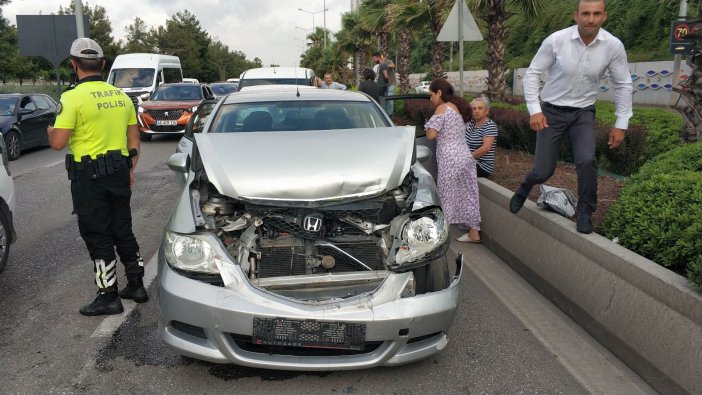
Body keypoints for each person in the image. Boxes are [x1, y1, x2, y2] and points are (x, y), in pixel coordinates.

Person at [509, 0, 632, 234]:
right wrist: (535, 109)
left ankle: (585, 211)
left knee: (587, 160)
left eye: (596, 14)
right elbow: (533, 73)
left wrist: (621, 123)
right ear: (575, 16)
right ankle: (526, 186)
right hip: (551, 112)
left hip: (583, 113)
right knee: (543, 171)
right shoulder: (556, 41)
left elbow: (623, 84)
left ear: (604, 16)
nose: (591, 19)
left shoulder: (613, 46)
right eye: (586, 13)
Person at [47, 38, 147, 316]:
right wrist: (129, 171)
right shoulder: (120, 96)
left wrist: (50, 131)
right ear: (103, 64)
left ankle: (108, 295)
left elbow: (58, 142)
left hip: (89, 177)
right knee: (123, 230)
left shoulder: (72, 97)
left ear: (73, 64)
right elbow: (134, 140)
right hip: (118, 171)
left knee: (97, 234)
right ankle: (137, 285)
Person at [424, 78, 481, 243]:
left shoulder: (442, 108)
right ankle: (474, 232)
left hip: (449, 158)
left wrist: (428, 124)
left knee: (446, 195)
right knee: (469, 193)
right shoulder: (458, 109)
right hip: (465, 156)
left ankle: (441, 234)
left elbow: (431, 135)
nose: (430, 99)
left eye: (431, 95)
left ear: (439, 93)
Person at [465, 97, 498, 177]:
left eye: (480, 108)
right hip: (470, 161)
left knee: (455, 168)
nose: (476, 111)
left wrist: (466, 158)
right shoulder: (471, 123)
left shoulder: (490, 126)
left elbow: (485, 148)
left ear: (486, 111)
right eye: (474, 109)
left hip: (482, 166)